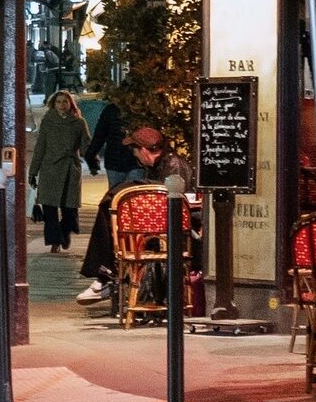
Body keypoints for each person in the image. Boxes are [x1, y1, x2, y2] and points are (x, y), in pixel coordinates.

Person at [76, 125, 193, 304]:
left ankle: (105, 275)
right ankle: (105, 274)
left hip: (167, 230)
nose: (134, 154)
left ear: (145, 150)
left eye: (135, 150)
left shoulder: (172, 166)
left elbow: (167, 204)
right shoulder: (157, 166)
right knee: (111, 206)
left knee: (113, 204)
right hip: (159, 227)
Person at [28, 89, 91, 253]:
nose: (62, 105)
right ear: (53, 105)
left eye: (65, 102)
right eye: (58, 102)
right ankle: (55, 241)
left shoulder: (78, 122)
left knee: (70, 209)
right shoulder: (47, 121)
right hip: (50, 169)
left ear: (71, 104)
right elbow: (40, 147)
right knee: (50, 209)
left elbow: (86, 144)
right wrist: (33, 172)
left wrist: (93, 159)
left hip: (70, 169)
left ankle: (65, 232)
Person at [84, 98, 141, 189]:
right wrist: (91, 158)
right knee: (131, 192)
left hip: (123, 159)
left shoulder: (110, 109)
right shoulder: (111, 110)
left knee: (119, 193)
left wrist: (91, 158)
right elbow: (100, 135)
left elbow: (99, 136)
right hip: (121, 159)